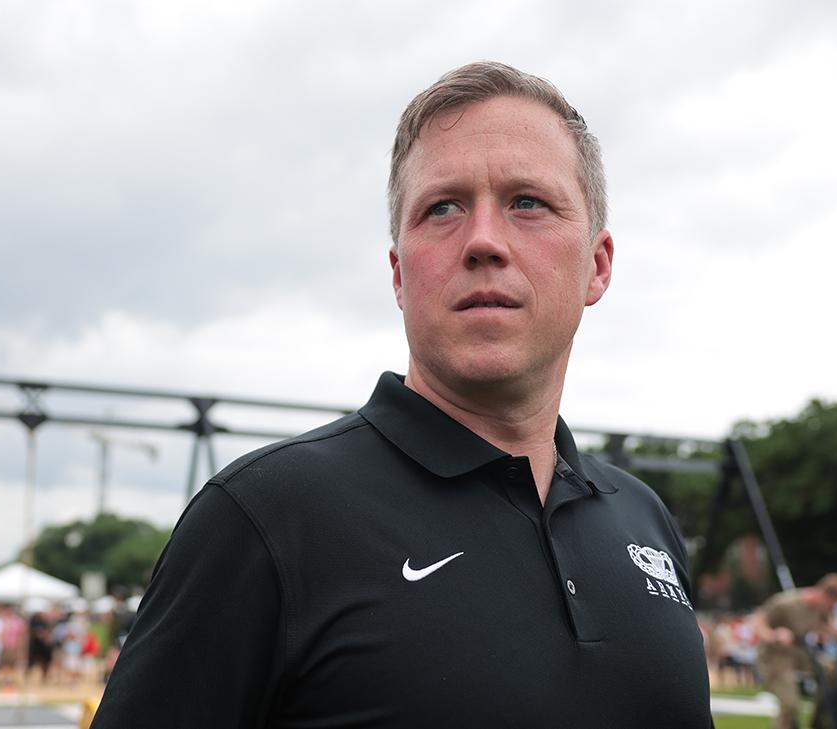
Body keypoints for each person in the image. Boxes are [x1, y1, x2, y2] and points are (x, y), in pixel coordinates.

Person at [92, 61, 713, 728]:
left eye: (528, 202)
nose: (483, 240)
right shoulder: (264, 517)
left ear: (597, 264)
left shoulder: (644, 521)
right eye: (443, 207)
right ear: (398, 273)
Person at [751, 573, 837, 729]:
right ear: (825, 594)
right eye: (833, 603)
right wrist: (774, 634)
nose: (833, 608)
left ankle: (818, 722)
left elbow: (826, 628)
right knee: (790, 703)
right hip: (775, 656)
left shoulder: (822, 609)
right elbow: (758, 621)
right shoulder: (787, 602)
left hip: (799, 653)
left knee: (831, 671)